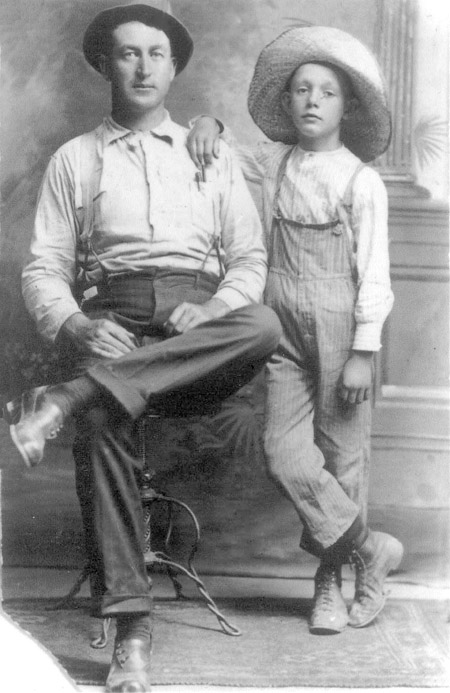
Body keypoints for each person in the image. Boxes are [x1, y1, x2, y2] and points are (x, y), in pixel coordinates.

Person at [4, 4, 281, 692]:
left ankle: (65, 397)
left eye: (156, 53)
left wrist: (212, 308)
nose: (143, 66)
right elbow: (44, 267)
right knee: (105, 418)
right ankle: (131, 630)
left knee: (262, 325)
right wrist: (76, 326)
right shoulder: (75, 158)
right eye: (128, 53)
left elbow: (249, 259)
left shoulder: (207, 151)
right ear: (105, 64)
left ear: (174, 66)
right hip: (114, 325)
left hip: (199, 338)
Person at [188, 26, 404, 635]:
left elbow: (376, 274)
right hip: (281, 319)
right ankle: (370, 549)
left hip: (341, 324)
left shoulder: (361, 182)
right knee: (284, 453)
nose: (312, 100)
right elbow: (224, 151)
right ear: (286, 101)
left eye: (327, 92)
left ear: (347, 106)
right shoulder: (274, 160)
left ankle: (331, 581)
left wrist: (362, 352)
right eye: (302, 89)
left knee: (343, 458)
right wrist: (208, 121)